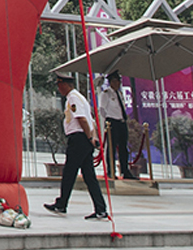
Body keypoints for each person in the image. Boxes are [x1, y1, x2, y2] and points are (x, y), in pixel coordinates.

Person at [44, 74, 108, 220]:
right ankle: (100, 208)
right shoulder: (80, 97)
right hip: (84, 139)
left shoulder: (73, 98)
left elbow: (82, 119)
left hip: (78, 139)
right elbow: (91, 121)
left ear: (65, 85)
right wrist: (92, 137)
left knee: (69, 172)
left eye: (59, 85)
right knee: (89, 176)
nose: (59, 89)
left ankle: (62, 204)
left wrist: (90, 137)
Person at [101, 72, 130, 180]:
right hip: (112, 122)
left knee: (123, 147)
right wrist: (108, 119)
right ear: (111, 82)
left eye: (119, 81)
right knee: (111, 147)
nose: (118, 83)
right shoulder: (106, 94)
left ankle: (125, 170)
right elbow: (102, 109)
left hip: (121, 121)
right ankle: (111, 171)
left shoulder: (120, 93)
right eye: (116, 81)